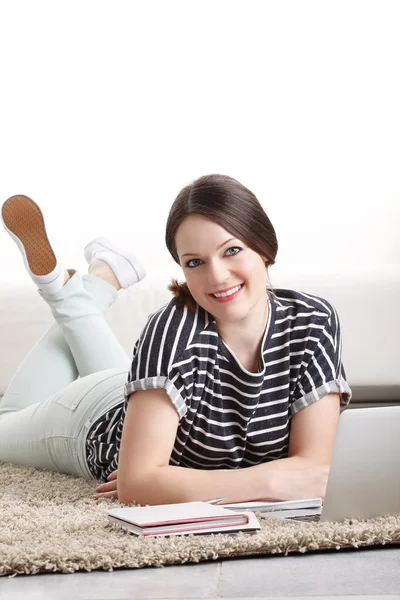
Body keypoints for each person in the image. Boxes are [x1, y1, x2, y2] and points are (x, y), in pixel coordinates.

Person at [0, 175, 352, 506]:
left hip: (147, 396)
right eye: (195, 261)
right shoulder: (171, 332)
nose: (216, 277)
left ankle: (90, 285)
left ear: (263, 245)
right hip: (93, 422)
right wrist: (271, 482)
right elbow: (138, 485)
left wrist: (174, 482)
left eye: (232, 251)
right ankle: (81, 289)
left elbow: (313, 471)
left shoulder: (312, 321)